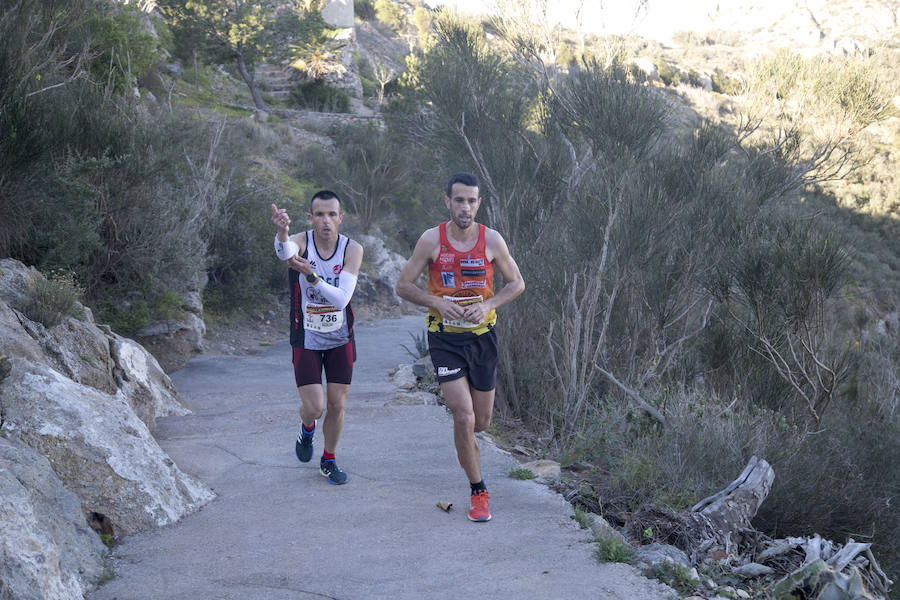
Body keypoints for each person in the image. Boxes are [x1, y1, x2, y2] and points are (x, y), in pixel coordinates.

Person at [395, 172, 525, 522]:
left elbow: (517, 283)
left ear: (478, 204)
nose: (464, 206)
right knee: (463, 416)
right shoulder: (431, 240)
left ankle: (464, 446)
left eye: (471, 200)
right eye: (458, 200)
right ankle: (479, 490)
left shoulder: (492, 241)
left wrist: (489, 305)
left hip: (482, 338)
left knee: (480, 422)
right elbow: (403, 286)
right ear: (447, 202)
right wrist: (435, 302)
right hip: (445, 339)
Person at [271, 190, 363, 485]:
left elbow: (341, 299)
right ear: (311, 218)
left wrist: (312, 277)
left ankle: (329, 459)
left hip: (340, 337)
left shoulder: (352, 249)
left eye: (332, 214)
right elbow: (285, 252)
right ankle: (307, 428)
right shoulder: (301, 242)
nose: (326, 220)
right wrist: (282, 233)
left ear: (340, 218)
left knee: (336, 405)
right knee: (315, 407)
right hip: (306, 336)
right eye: (320, 214)